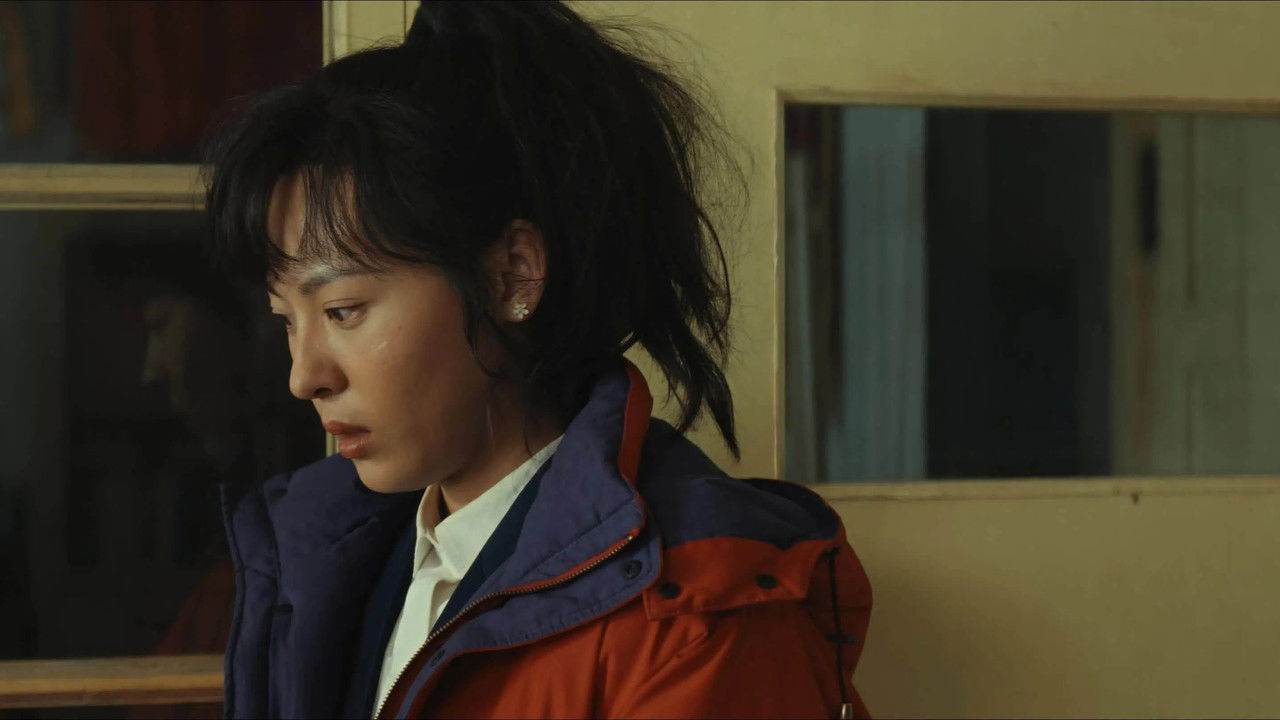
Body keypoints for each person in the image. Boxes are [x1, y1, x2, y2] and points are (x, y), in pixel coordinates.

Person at [202, 2, 872, 718]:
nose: (305, 376)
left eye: (342, 311)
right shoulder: (328, 561)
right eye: (287, 321)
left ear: (513, 275)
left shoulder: (698, 620)